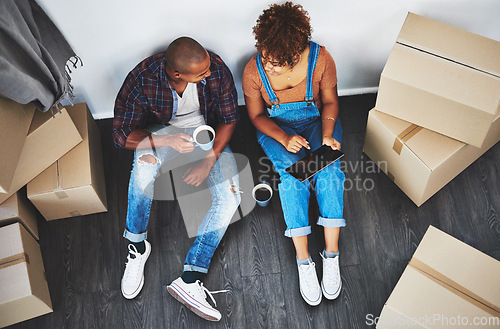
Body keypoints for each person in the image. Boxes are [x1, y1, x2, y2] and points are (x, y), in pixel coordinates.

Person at [113, 36, 241, 321]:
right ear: (176, 74)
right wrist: (167, 140)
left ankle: (190, 278)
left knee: (231, 196)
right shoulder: (143, 78)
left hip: (205, 136)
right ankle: (137, 245)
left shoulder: (216, 67)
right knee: (143, 169)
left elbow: (230, 119)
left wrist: (208, 162)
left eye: (208, 69)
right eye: (202, 74)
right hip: (163, 134)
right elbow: (121, 135)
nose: (210, 74)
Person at [242, 2, 345, 306]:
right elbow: (257, 117)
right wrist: (285, 137)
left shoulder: (322, 58)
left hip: (317, 123)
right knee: (292, 178)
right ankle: (304, 260)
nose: (268, 65)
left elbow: (330, 103)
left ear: (296, 54)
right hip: (276, 129)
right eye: (266, 57)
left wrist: (327, 134)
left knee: (328, 172)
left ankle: (331, 255)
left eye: (276, 63)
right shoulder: (253, 71)